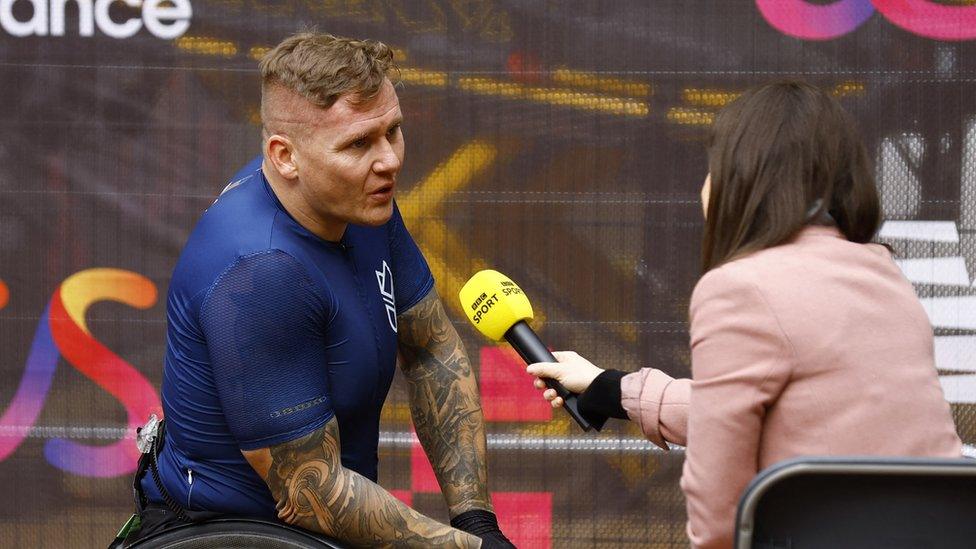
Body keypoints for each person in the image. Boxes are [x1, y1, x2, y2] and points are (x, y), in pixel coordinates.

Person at [526, 80, 962, 549]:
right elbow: (777, 415)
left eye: (713, 165)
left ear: (742, 180)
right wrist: (610, 389)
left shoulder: (738, 289)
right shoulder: (883, 275)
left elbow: (719, 506)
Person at [129, 32, 514, 548]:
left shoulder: (358, 197)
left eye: (393, 132)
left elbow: (430, 350)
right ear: (284, 156)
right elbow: (314, 492)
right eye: (358, 143)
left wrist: (476, 523)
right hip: (235, 534)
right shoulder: (262, 271)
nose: (390, 160)